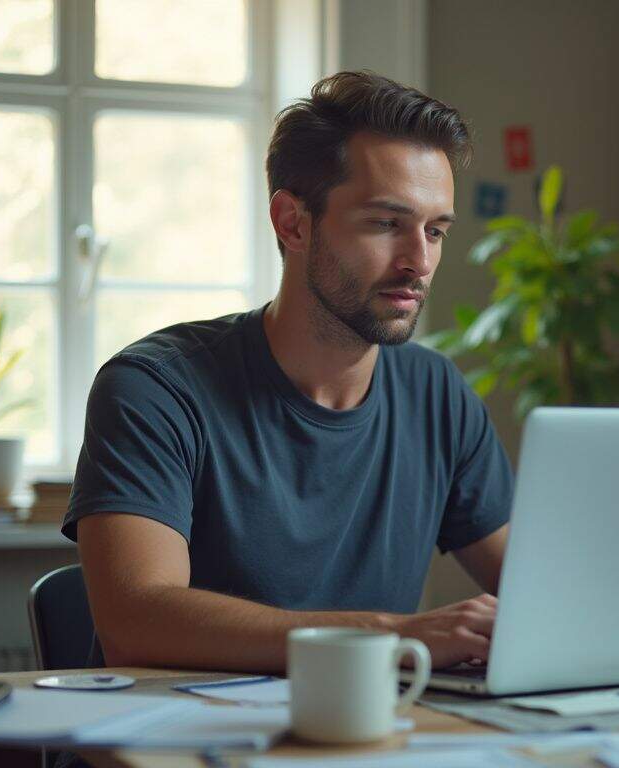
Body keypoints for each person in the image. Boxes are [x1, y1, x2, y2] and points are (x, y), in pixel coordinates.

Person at [63, 71, 513, 673]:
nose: (420, 261)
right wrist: (393, 635)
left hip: (364, 739)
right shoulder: (155, 388)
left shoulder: (436, 393)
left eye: (435, 231)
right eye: (386, 224)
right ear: (293, 223)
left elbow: (539, 595)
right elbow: (136, 621)